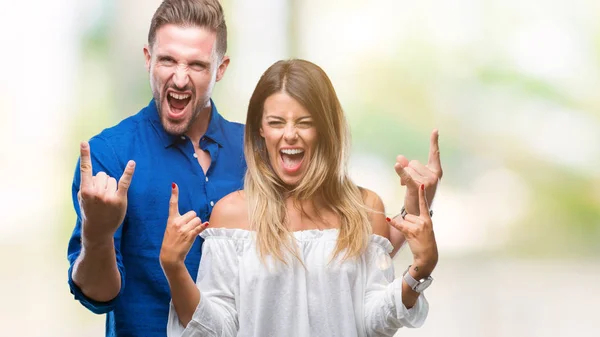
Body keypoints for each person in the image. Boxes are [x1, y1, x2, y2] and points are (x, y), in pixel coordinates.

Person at [67, 0, 442, 336]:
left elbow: (332, 255)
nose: (180, 77)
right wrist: (98, 233)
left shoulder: (266, 150)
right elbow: (98, 295)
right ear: (148, 58)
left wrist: (417, 208)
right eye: (168, 60)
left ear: (220, 68)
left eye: (197, 64)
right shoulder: (108, 156)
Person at [162, 59, 439, 337]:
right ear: (261, 128)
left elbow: (374, 322)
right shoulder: (231, 214)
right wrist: (174, 268)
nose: (290, 135)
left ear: (325, 128)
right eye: (276, 122)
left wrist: (418, 272)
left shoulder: (365, 208)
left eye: (305, 123)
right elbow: (218, 329)